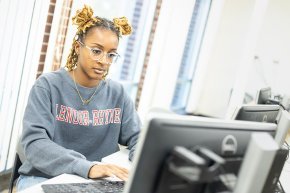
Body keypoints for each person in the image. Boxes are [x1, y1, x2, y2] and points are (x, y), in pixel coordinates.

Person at [17, 5, 141, 191]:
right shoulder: (48, 86)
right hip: (44, 177)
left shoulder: (118, 93)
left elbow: (139, 137)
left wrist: (141, 160)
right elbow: (35, 145)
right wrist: (88, 167)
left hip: (98, 182)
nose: (104, 61)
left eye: (111, 54)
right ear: (77, 47)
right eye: (96, 51)